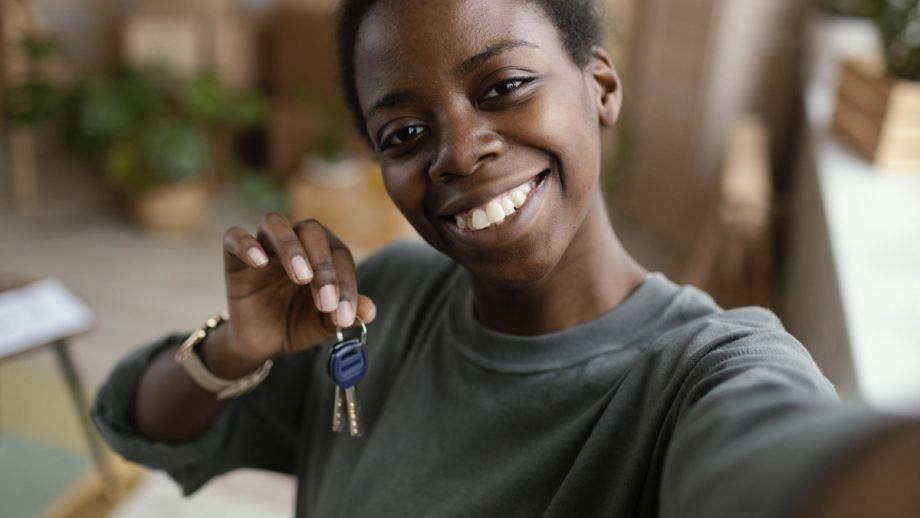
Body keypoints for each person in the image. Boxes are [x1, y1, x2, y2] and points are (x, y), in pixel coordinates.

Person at [92, 1, 920, 516]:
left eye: (503, 88)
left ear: (599, 86)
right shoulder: (380, 304)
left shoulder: (704, 375)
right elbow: (147, 427)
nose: (458, 152)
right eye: (405, 134)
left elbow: (788, 470)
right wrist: (237, 348)